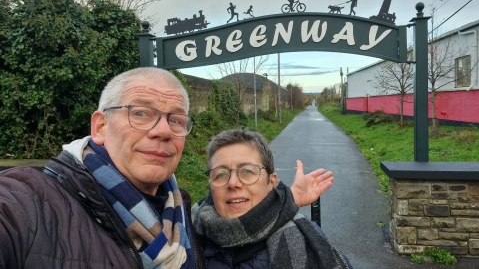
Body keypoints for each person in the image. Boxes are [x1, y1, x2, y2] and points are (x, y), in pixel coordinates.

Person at [0, 67, 334, 268]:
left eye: (175, 119)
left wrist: (283, 198)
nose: (162, 131)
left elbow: (241, 229)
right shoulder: (29, 202)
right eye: (141, 113)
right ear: (100, 127)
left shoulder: (184, 216)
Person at [193, 129, 352, 268]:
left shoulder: (308, 243)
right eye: (220, 174)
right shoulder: (187, 235)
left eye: (247, 171)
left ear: (271, 181)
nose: (233, 183)